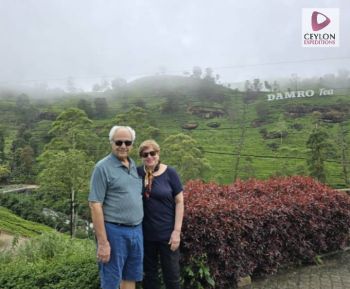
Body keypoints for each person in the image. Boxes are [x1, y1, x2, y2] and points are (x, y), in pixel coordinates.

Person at [88, 125, 143, 289]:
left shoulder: (134, 167)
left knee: (130, 277)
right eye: (119, 142)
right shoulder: (102, 168)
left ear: (132, 144)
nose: (123, 146)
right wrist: (103, 242)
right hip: (114, 232)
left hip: (136, 231)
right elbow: (95, 205)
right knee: (111, 282)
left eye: (128, 142)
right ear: (111, 143)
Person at [137, 140, 184, 289]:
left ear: (158, 154)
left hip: (167, 236)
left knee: (172, 277)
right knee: (149, 278)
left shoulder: (170, 173)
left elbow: (179, 202)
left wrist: (176, 232)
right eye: (145, 154)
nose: (149, 156)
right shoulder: (137, 173)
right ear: (141, 157)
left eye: (153, 153)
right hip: (145, 236)